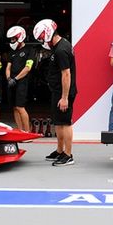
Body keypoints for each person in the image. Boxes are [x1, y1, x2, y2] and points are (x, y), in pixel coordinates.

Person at [34, 18, 76, 166]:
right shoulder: (58, 46)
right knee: (58, 122)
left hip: (63, 93)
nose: (41, 41)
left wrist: (64, 98)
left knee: (65, 122)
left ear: (48, 33)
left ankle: (68, 154)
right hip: (57, 92)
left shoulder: (61, 50)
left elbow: (66, 74)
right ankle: (59, 151)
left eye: (41, 37)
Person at [5, 25, 33, 132]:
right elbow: (8, 67)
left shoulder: (29, 50)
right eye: (11, 39)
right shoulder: (12, 52)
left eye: (13, 39)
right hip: (11, 82)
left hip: (22, 82)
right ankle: (20, 131)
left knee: (21, 107)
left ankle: (27, 132)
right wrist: (8, 78)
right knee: (15, 108)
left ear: (20, 37)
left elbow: (28, 68)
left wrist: (15, 79)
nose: (12, 41)